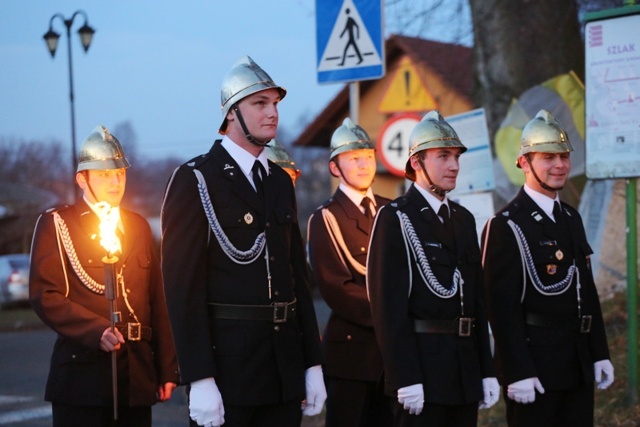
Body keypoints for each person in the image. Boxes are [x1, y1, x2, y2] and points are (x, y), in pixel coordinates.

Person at [161, 55, 325, 427]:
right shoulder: (196, 179)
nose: (272, 113)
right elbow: (181, 289)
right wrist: (199, 378)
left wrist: (312, 362)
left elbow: (296, 277)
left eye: (275, 104)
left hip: (283, 368)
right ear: (231, 113)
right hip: (229, 372)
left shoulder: (279, 181)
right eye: (260, 103)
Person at [29, 125, 179, 427]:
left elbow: (156, 299)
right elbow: (46, 295)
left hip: (136, 375)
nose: (115, 182)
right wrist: (95, 330)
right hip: (82, 379)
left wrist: (166, 368)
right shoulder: (58, 223)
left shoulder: (137, 225)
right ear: (82, 180)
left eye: (120, 174)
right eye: (104, 175)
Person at [481, 110, 614, 427]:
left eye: (564, 157)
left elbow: (586, 291)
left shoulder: (570, 217)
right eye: (548, 157)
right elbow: (500, 307)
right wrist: (517, 370)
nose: (559, 166)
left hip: (576, 360)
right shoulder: (506, 225)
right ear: (524, 162)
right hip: (536, 366)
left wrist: (599, 352)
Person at [367, 110, 499, 427]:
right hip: (422, 372)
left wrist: (486, 369)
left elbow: (476, 302)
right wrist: (404, 377)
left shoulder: (463, 219)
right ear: (416, 162)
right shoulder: (396, 217)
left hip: (464, 370)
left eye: (456, 156)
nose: (454, 165)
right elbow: (388, 307)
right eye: (443, 156)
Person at [307, 118, 393, 427]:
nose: (363, 164)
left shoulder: (391, 210)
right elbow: (337, 288)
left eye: (368, 156)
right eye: (353, 158)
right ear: (335, 168)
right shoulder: (326, 218)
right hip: (352, 357)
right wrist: (394, 315)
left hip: (394, 359)